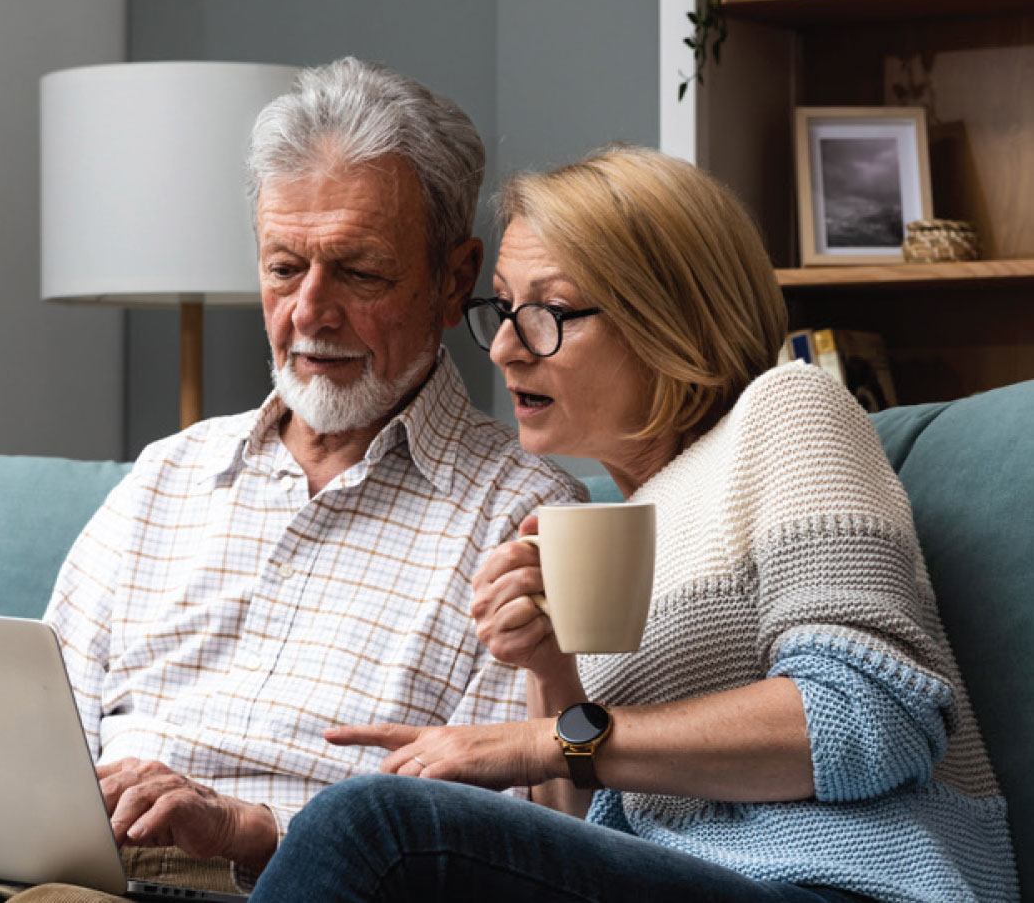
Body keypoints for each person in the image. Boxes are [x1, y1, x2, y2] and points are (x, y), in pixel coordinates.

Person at [0, 58, 583, 903]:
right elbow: (38, 729)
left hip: (268, 881)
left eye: (357, 271)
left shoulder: (519, 514)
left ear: (451, 278)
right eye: (284, 267)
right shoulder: (172, 473)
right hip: (65, 862)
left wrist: (247, 828)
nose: (309, 311)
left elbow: (484, 836)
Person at [249, 146, 1018, 902]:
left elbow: (872, 718)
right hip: (687, 879)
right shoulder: (608, 530)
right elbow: (586, 837)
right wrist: (552, 668)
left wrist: (534, 740)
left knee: (372, 822)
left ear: (666, 317)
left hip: (843, 880)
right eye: (505, 311)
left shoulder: (786, 414)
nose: (508, 349)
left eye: (548, 311)